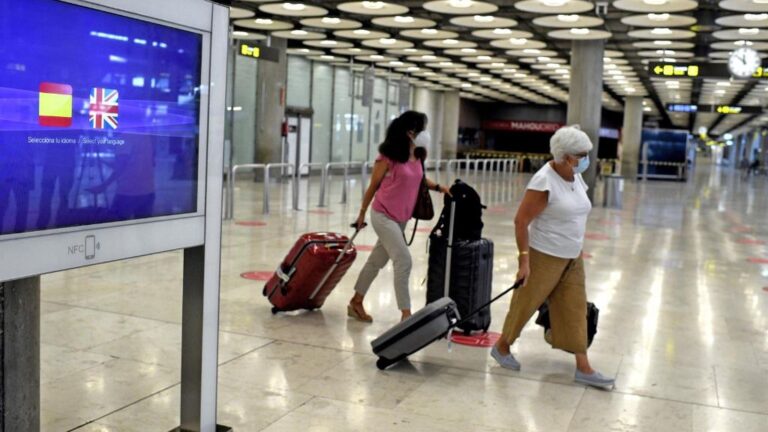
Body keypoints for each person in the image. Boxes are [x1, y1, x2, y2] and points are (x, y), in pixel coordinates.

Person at [490, 125, 615, 390]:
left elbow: (577, 211)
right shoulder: (544, 181)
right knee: (525, 304)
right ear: (567, 156)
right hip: (543, 255)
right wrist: (524, 260)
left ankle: (584, 367)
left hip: (572, 258)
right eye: (582, 155)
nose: (586, 159)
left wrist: (576, 247)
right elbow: (521, 221)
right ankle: (502, 346)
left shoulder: (574, 176)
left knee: (575, 309)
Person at [349, 111, 450, 323]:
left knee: (376, 261)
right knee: (403, 260)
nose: (424, 133)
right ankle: (406, 314)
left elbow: (420, 180)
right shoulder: (387, 157)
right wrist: (361, 215)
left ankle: (355, 302)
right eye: (421, 129)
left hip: (402, 218)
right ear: (409, 132)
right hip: (383, 214)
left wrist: (440, 188)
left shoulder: (418, 156)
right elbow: (373, 187)